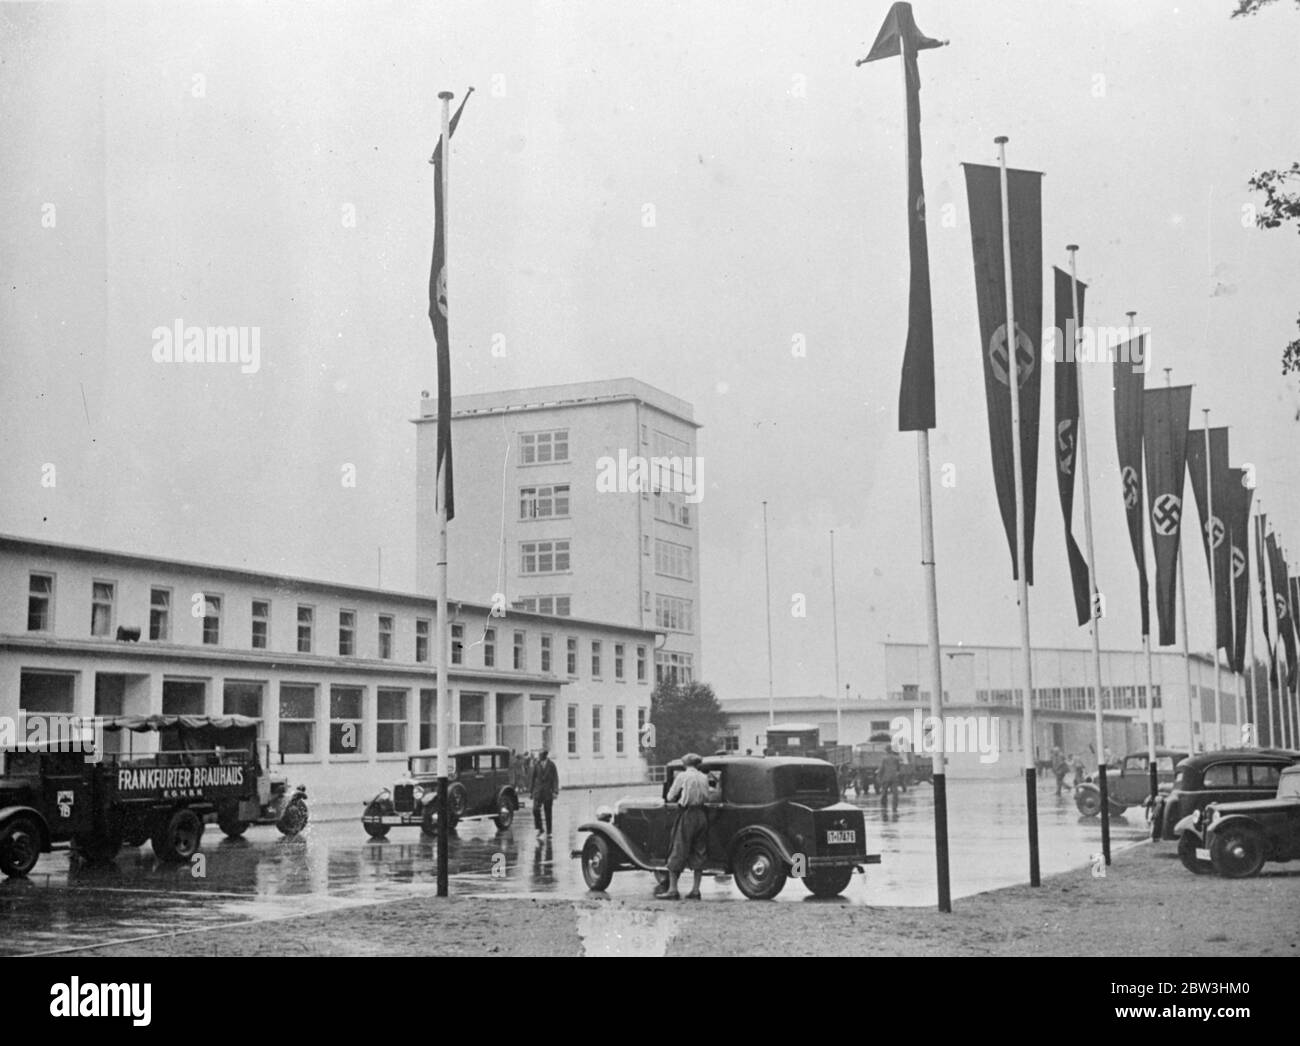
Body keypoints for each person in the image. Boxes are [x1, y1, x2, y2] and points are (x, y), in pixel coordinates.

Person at [658, 753, 710, 900]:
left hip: (687, 814)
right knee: (700, 851)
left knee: (679, 848)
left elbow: (670, 796)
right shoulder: (703, 777)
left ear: (685, 764)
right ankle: (695, 889)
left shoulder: (683, 776)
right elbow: (707, 795)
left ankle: (673, 889)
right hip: (702, 814)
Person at [530, 749, 559, 836]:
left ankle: (549, 832)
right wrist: (531, 792)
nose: (539, 756)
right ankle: (540, 828)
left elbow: (555, 779)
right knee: (535, 810)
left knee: (548, 812)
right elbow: (532, 778)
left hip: (548, 792)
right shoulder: (537, 764)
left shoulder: (551, 765)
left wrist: (555, 791)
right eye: (539, 755)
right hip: (538, 792)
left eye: (540, 755)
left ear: (545, 755)